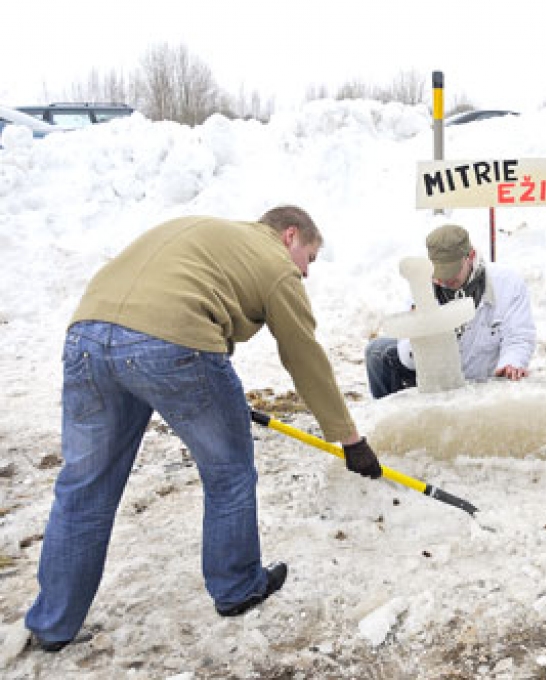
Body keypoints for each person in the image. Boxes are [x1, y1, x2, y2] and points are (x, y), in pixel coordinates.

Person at [25, 207, 383, 652]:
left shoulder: (203, 231)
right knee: (230, 472)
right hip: (173, 345)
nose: (306, 272)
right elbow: (303, 354)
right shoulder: (276, 266)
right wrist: (348, 437)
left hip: (86, 339)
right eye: (309, 257)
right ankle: (236, 587)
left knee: (83, 487)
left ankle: (53, 623)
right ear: (290, 235)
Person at [365, 224, 536, 398]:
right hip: (437, 379)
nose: (444, 280)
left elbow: (519, 336)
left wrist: (512, 363)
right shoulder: (422, 288)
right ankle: (393, 418)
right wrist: (419, 335)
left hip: (482, 383)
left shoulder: (507, 283)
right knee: (376, 352)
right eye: (438, 273)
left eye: (451, 273)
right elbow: (408, 359)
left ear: (470, 256)